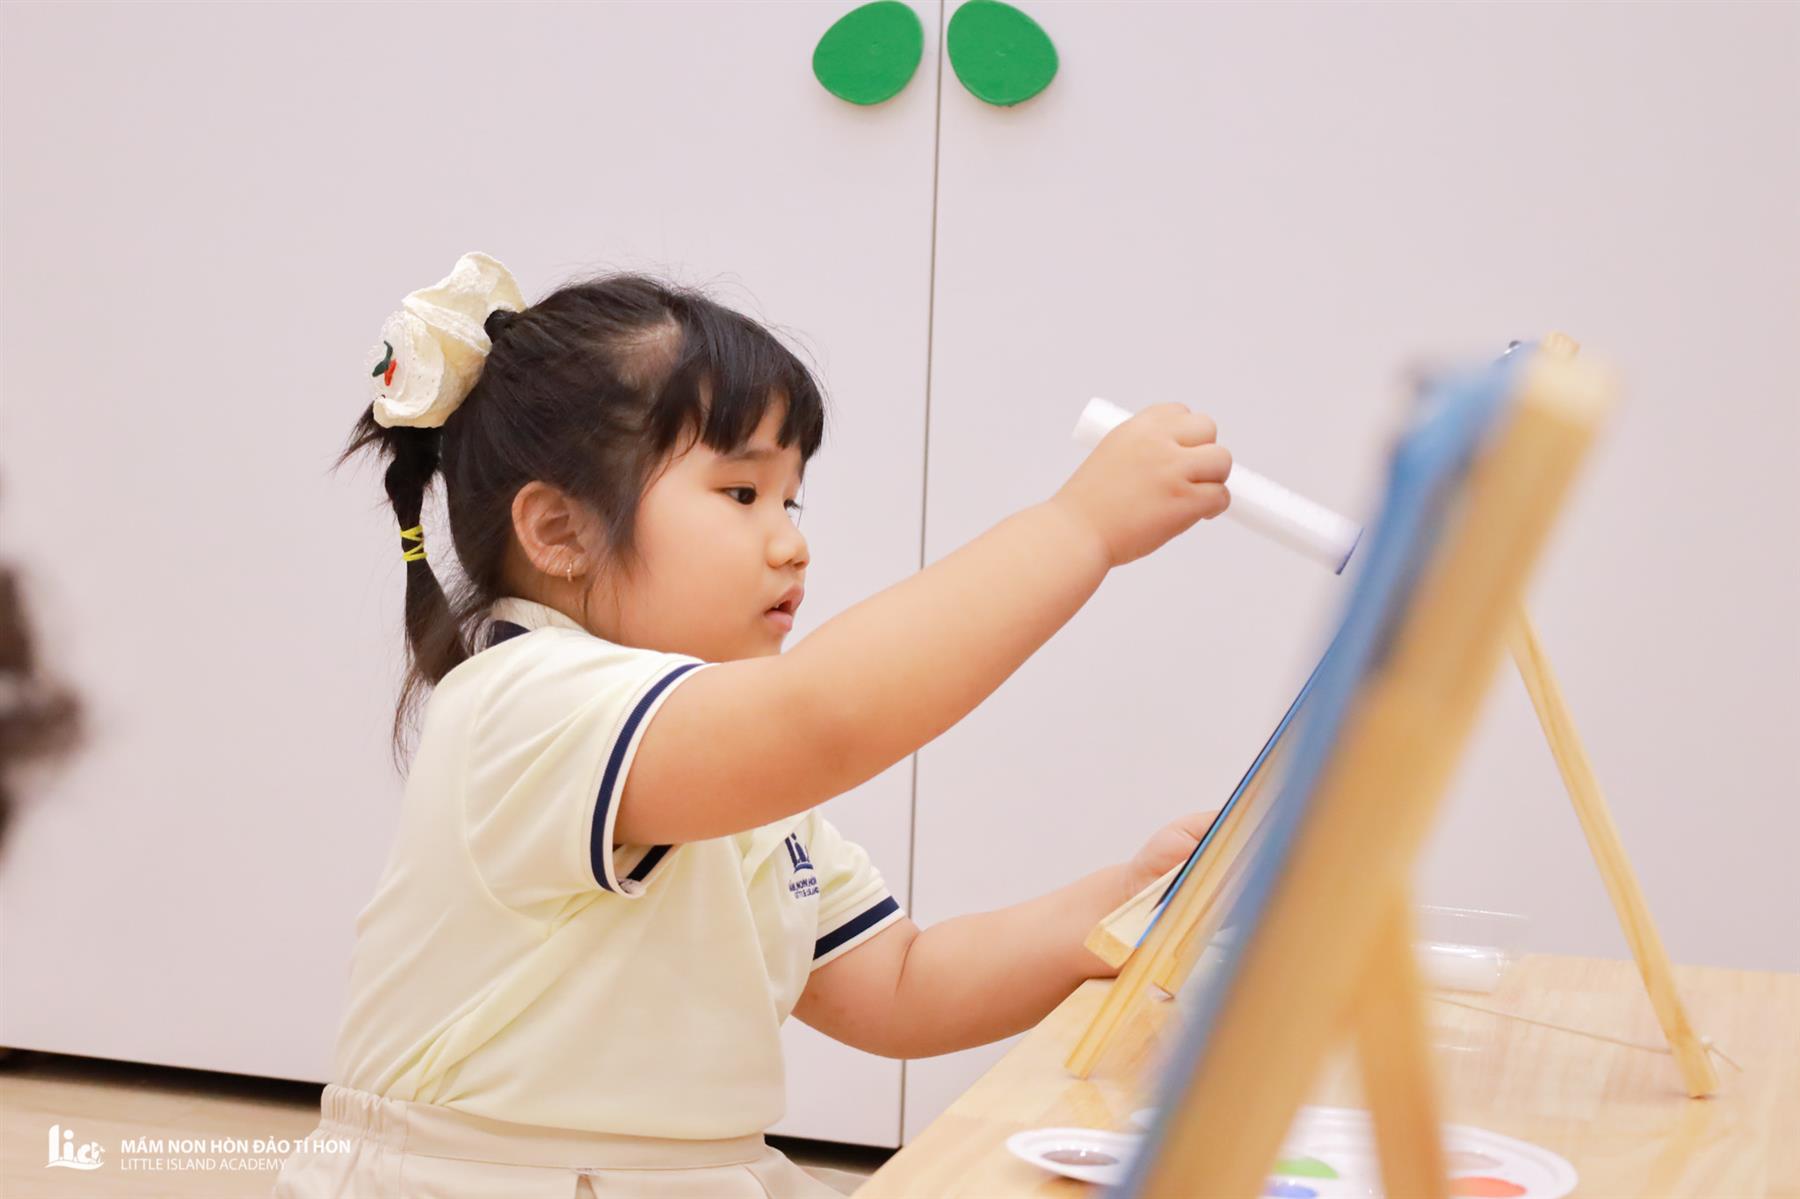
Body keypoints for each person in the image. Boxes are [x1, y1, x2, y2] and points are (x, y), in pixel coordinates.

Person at [273, 252, 1231, 1198]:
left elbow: (901, 984)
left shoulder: (734, 780)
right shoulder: (525, 701)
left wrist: (1121, 900)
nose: (792, 541)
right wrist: (1079, 528)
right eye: (742, 494)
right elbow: (823, 718)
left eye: (791, 498)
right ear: (561, 532)